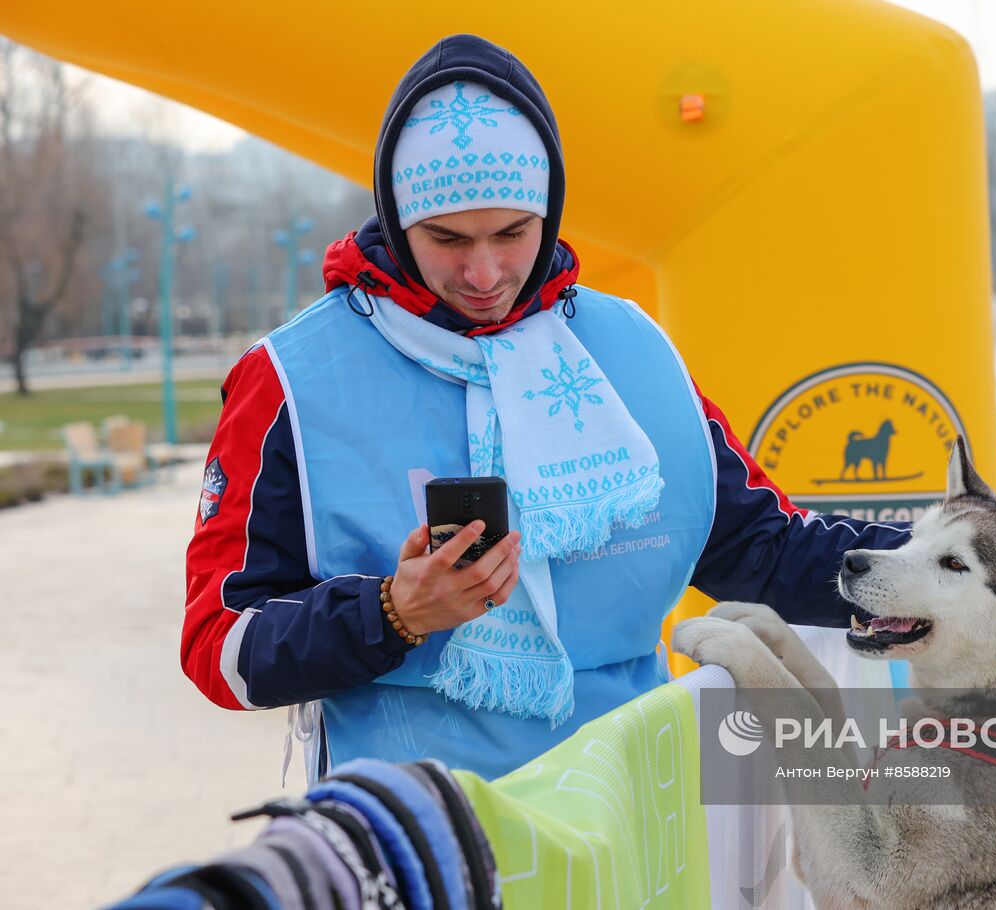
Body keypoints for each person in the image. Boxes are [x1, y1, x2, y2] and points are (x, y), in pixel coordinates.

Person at [182, 33, 910, 781]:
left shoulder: (631, 346)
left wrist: (954, 570)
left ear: (551, 212)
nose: (484, 272)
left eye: (512, 232)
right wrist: (392, 614)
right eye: (446, 238)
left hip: (631, 816)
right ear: (398, 223)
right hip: (420, 833)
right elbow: (218, 646)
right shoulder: (289, 379)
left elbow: (760, 548)